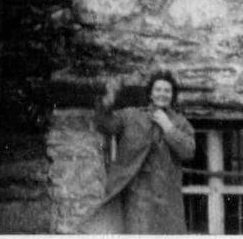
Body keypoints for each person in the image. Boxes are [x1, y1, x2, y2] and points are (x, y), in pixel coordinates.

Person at [80, 70, 196, 234]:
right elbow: (106, 125)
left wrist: (168, 127)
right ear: (150, 93)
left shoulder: (180, 122)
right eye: (158, 90)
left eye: (167, 91)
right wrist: (106, 104)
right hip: (139, 197)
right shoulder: (132, 116)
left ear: (172, 95)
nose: (162, 94)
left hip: (168, 199)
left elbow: (188, 151)